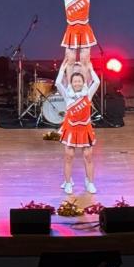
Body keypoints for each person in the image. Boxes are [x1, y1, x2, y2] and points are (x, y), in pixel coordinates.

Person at [55, 58, 100, 195]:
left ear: (83, 82)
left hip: (85, 129)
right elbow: (58, 83)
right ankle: (68, 182)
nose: (77, 83)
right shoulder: (67, 96)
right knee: (69, 156)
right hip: (71, 130)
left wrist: (91, 69)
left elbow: (97, 82)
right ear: (72, 83)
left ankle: (90, 182)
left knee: (88, 156)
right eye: (75, 81)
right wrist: (62, 69)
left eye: (79, 81)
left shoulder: (88, 94)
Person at [48, 0, 97, 75]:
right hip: (71, 30)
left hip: (85, 29)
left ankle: (84, 83)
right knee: (70, 60)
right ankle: (70, 84)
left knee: (85, 60)